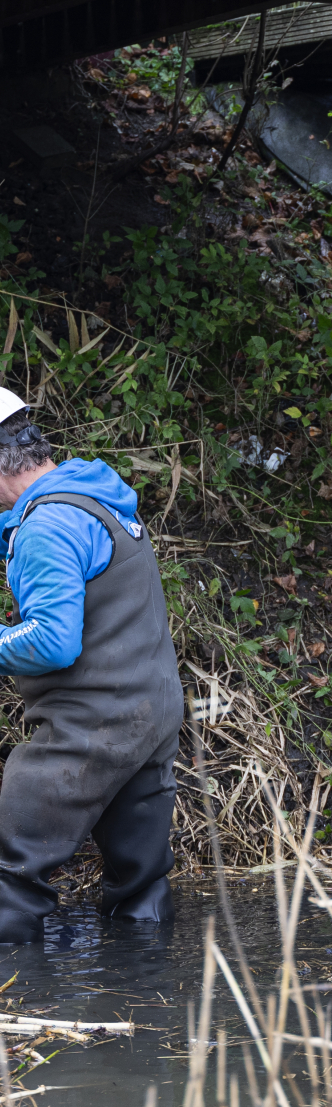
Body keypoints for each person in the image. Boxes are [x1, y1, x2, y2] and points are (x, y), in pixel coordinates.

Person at [0, 388, 184, 943]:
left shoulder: (45, 530)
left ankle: (17, 1005)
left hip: (88, 728)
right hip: (150, 715)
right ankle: (150, 1007)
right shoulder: (86, 495)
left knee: (9, 878)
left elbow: (54, 643)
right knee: (142, 887)